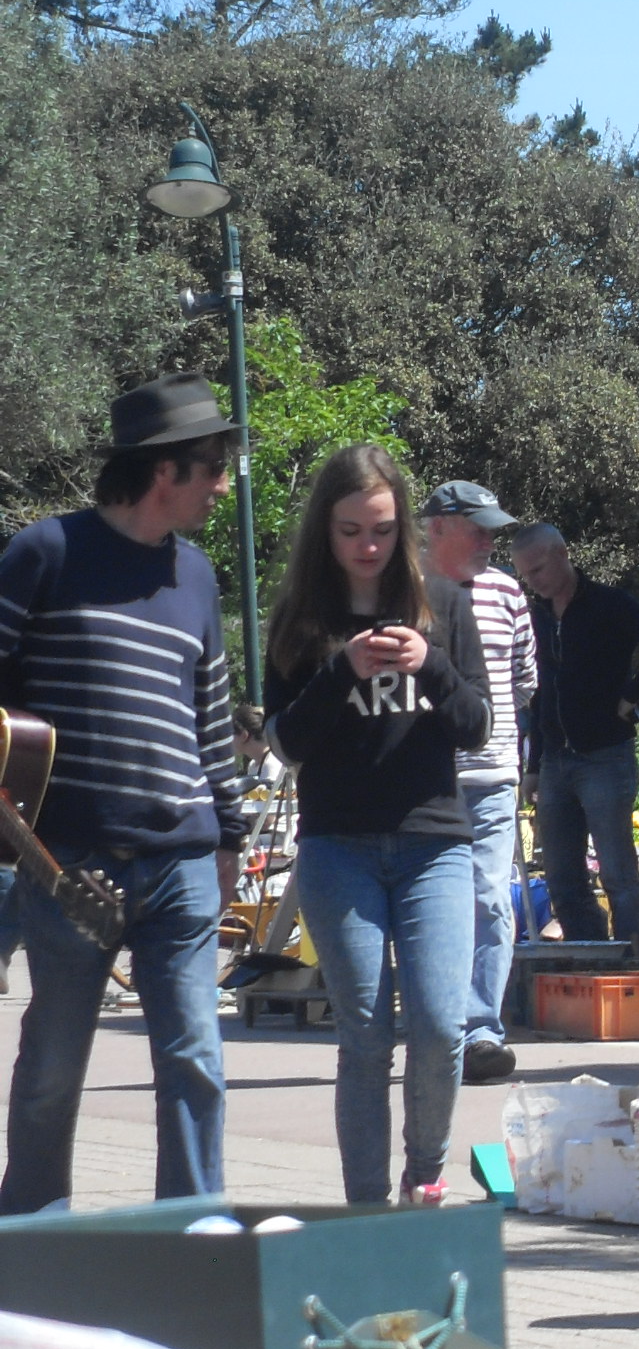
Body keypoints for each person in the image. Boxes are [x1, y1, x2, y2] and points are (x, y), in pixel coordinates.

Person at [0, 374, 244, 1215]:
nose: (223, 484)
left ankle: (194, 1238)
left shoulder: (199, 577)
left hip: (181, 860)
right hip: (68, 863)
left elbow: (211, 712)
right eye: (212, 466)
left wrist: (231, 833)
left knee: (196, 1061)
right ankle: (32, 1244)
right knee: (53, 1070)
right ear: (163, 470)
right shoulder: (44, 554)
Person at [266, 446, 491, 1206]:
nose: (368, 547)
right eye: (351, 530)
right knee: (364, 1034)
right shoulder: (301, 619)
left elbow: (476, 726)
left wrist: (429, 662)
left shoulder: (446, 606)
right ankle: (365, 1206)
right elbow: (287, 742)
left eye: (385, 530)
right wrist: (342, 671)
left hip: (434, 843)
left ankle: (422, 1175)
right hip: (339, 847)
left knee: (437, 1022)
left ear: (406, 530)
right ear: (324, 533)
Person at [512, 524, 639, 953]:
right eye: (526, 575)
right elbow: (539, 694)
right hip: (554, 759)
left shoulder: (609, 603)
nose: (534, 582)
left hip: (605, 753)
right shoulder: (536, 617)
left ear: (562, 554)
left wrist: (632, 693)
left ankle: (634, 962)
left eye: (538, 570)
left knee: (617, 869)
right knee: (561, 872)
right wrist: (533, 767)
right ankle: (586, 956)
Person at [422, 479, 536, 1085]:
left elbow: (523, 680)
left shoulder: (507, 593)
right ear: (439, 526)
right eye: (479, 528)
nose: (490, 540)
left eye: (494, 529)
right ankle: (438, 1026)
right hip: (425, 780)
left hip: (491, 775)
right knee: (436, 907)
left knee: (490, 899)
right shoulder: (405, 592)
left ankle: (480, 1030)